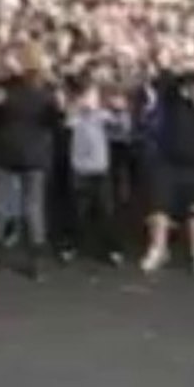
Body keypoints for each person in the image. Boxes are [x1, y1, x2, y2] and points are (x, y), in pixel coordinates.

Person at [0, 44, 62, 282]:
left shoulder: (4, 89)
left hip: (5, 152)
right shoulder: (47, 89)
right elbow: (55, 121)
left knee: (1, 206)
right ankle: (36, 263)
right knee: (33, 208)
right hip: (34, 154)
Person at [142, 66, 194, 277]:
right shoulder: (174, 102)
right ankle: (158, 249)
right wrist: (185, 75)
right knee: (160, 208)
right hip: (169, 164)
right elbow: (164, 81)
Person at [64, 81, 125, 267]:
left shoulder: (102, 116)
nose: (91, 101)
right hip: (80, 170)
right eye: (87, 96)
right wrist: (77, 107)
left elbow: (120, 127)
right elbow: (67, 122)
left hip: (100, 171)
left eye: (94, 97)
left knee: (106, 211)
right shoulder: (76, 116)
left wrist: (120, 110)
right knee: (77, 212)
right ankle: (71, 245)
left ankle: (113, 249)